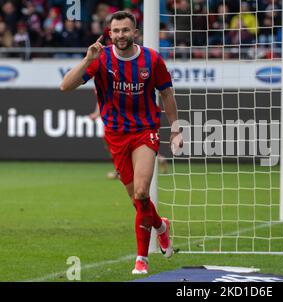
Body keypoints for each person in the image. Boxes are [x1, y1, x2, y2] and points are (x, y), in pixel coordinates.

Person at [60, 11, 183, 275]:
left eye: (125, 30)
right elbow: (65, 87)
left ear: (135, 32)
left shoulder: (152, 59)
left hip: (144, 131)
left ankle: (141, 259)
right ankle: (161, 226)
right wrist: (86, 60)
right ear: (109, 33)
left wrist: (175, 130)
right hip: (116, 135)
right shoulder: (100, 58)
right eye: (115, 31)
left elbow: (167, 95)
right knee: (137, 201)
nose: (120, 36)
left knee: (141, 192)